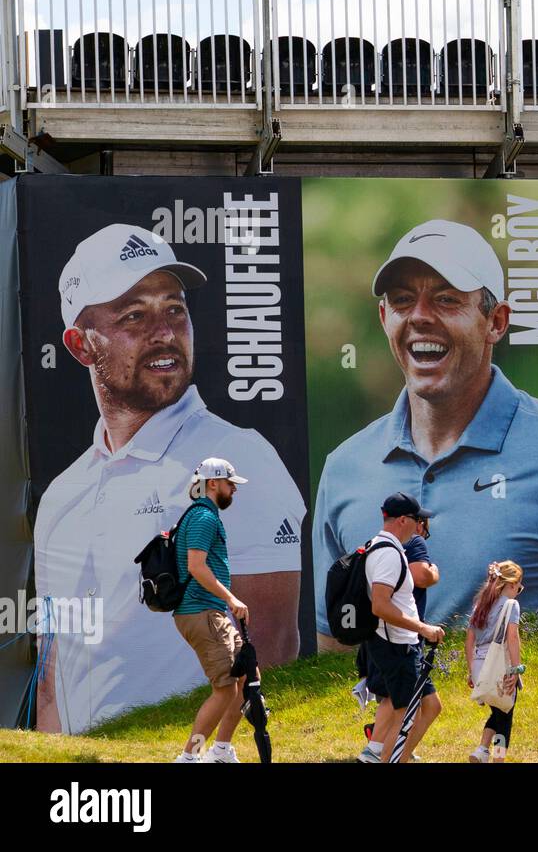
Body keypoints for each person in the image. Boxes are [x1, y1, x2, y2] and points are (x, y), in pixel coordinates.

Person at [34, 223, 305, 734]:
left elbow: (271, 656)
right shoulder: (61, 497)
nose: (165, 332)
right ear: (79, 345)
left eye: (175, 309)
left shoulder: (240, 459)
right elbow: (53, 677)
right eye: (134, 315)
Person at [313, 219, 538, 649]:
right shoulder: (344, 469)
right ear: (384, 317)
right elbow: (335, 653)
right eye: (403, 300)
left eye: (446, 299)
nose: (420, 316)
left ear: (496, 322)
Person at [172, 458, 252, 763]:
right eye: (231, 483)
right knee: (225, 690)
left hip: (211, 611)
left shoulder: (206, 515)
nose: (234, 489)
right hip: (203, 611)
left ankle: (220, 752)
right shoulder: (204, 517)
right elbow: (196, 566)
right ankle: (189, 758)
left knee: (247, 676)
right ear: (213, 483)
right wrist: (232, 599)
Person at [363, 492, 447, 764]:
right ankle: (384, 757)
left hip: (398, 643)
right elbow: (380, 605)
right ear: (402, 520)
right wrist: (422, 627)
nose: (420, 526)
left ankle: (385, 755)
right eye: (416, 519)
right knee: (405, 716)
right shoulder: (388, 553)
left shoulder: (383, 547)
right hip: (396, 645)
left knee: (421, 708)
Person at [465, 561, 524, 763]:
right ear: (510, 584)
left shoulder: (480, 604)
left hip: (480, 665)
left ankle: (482, 749)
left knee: (498, 711)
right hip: (500, 665)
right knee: (505, 715)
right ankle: (498, 759)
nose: (519, 590)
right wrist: (516, 669)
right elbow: (512, 637)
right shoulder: (511, 605)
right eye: (519, 585)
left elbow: (469, 640)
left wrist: (471, 669)